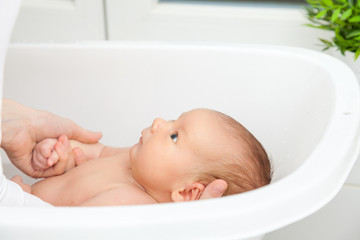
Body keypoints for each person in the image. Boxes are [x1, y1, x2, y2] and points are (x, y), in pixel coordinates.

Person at [12, 108, 271, 206]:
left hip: (23, 216)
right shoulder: (133, 159)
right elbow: (95, 153)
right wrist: (61, 155)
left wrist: (23, 204)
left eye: (174, 136)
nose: (158, 122)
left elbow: (62, 231)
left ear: (186, 194)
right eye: (172, 120)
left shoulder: (129, 204)